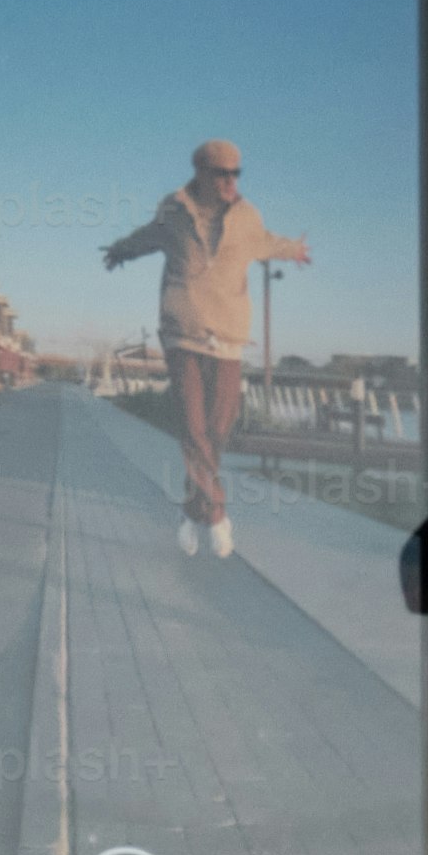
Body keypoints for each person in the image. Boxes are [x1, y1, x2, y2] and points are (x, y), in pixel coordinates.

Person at [100, 138, 308, 556]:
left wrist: (295, 250)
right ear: (200, 173)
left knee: (217, 429)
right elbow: (148, 236)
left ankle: (192, 511)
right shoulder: (174, 209)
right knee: (193, 425)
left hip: (228, 337)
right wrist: (121, 250)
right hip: (182, 331)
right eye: (221, 174)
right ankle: (217, 515)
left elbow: (267, 242)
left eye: (236, 173)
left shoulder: (247, 217)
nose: (231, 181)